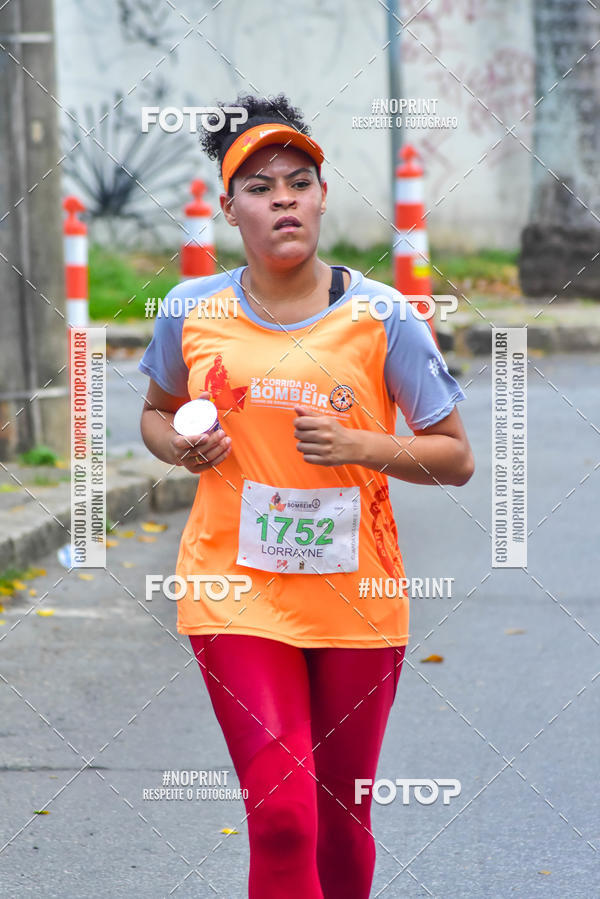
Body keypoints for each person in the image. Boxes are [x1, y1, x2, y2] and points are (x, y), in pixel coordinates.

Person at [139, 92, 474, 898]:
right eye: (259, 187)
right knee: (283, 813)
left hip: (359, 595)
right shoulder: (191, 310)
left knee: (338, 813)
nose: (282, 197)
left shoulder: (383, 316)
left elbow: (455, 457)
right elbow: (153, 417)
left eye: (299, 180)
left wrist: (366, 445)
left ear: (323, 195)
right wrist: (181, 446)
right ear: (228, 209)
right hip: (234, 588)